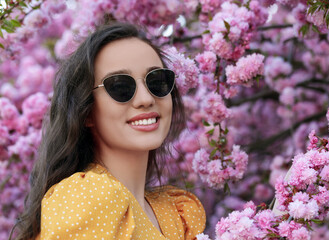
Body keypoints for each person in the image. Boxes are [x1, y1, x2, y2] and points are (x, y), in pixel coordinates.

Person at [10, 22, 206, 240]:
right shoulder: (87, 198)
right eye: (120, 87)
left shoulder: (175, 213)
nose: (145, 99)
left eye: (156, 81)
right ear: (86, 112)